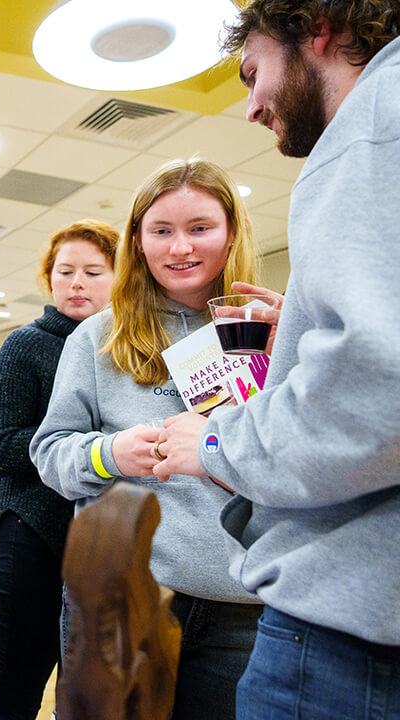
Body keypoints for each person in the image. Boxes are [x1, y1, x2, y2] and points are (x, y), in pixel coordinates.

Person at [153, 5, 400, 717]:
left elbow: (372, 393)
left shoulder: (370, 126)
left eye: (254, 71)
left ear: (316, 28)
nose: (252, 105)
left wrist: (215, 442)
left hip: (348, 634)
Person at [30, 159, 262, 719]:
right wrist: (108, 454)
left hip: (242, 604)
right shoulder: (98, 336)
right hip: (122, 596)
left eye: (200, 227)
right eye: (161, 230)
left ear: (232, 232)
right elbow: (48, 450)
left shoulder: (267, 328)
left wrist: (219, 448)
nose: (180, 247)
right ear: (138, 239)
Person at [0, 220, 117, 720]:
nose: (77, 282)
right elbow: (2, 446)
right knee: (15, 687)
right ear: (50, 278)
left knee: (79, 695)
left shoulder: (119, 347)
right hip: (30, 532)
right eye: (66, 271)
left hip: (96, 541)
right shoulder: (25, 345)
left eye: (93, 271)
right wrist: (99, 451)